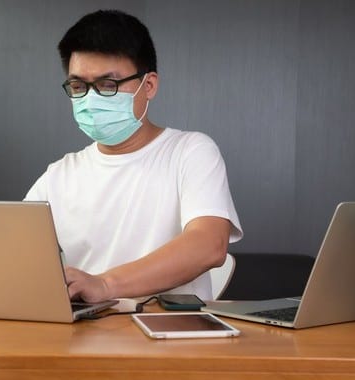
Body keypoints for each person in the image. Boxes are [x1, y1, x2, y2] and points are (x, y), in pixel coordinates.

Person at [24, 9, 242, 303]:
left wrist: (105, 285)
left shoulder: (190, 152)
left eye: (107, 85)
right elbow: (13, 256)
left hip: (173, 339)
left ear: (148, 85)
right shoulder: (59, 176)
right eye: (78, 86)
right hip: (83, 340)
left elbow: (208, 245)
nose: (90, 99)